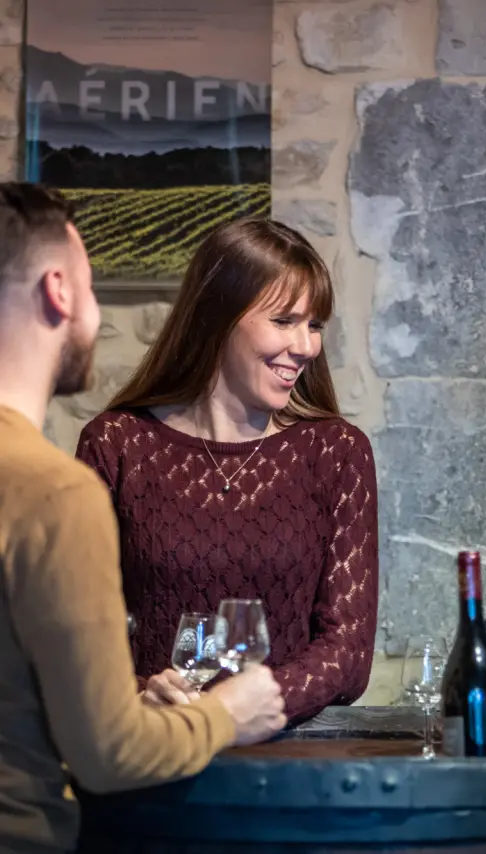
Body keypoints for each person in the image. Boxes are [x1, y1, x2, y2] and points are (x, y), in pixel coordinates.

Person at [0, 183, 286, 854]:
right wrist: (227, 712)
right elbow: (109, 752)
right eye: (92, 286)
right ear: (59, 292)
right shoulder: (53, 493)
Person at [76, 217, 379, 726]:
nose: (305, 346)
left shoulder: (336, 452)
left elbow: (347, 652)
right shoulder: (117, 445)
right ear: (217, 317)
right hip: (151, 750)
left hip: (288, 764)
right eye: (284, 321)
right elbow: (77, 630)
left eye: (314, 325)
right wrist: (137, 692)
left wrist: (230, 715)